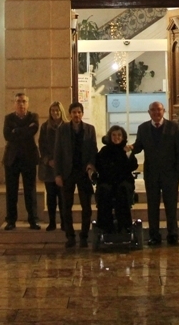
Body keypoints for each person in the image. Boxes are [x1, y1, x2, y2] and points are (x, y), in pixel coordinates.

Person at [131, 101, 179, 246]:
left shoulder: (174, 127)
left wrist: (177, 171)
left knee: (171, 206)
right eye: (153, 110)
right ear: (149, 112)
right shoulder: (143, 128)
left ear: (164, 111)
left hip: (170, 174)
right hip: (152, 174)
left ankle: (172, 234)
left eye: (159, 110)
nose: (156, 112)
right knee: (152, 206)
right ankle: (154, 235)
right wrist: (128, 148)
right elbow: (138, 146)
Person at [53, 102, 97, 248]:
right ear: (70, 114)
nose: (76, 115)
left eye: (79, 112)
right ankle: (70, 236)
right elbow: (58, 152)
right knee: (66, 206)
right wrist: (57, 174)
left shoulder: (90, 129)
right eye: (74, 112)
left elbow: (93, 150)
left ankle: (84, 236)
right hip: (68, 172)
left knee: (86, 207)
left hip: (83, 173)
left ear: (82, 114)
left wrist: (91, 165)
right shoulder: (62, 129)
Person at [2, 92, 40, 230]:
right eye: (18, 101)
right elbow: (7, 135)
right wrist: (24, 130)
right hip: (12, 159)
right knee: (11, 191)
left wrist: (16, 131)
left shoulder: (33, 117)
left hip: (29, 158)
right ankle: (11, 220)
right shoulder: (8, 118)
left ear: (28, 104)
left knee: (30, 190)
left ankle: (33, 220)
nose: (21, 104)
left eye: (24, 101)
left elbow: (32, 131)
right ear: (14, 104)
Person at [93, 126, 138, 234]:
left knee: (122, 190)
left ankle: (125, 225)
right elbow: (99, 166)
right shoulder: (104, 151)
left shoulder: (126, 150)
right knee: (104, 191)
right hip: (107, 180)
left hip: (123, 181)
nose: (116, 137)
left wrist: (128, 154)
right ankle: (106, 226)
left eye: (119, 135)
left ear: (123, 137)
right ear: (110, 136)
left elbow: (133, 166)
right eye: (114, 135)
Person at [37, 101, 64, 232]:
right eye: (52, 110)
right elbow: (42, 145)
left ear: (61, 111)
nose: (55, 113)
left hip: (63, 167)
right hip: (49, 167)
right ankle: (52, 222)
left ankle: (64, 222)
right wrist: (48, 160)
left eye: (57, 110)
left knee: (63, 197)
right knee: (51, 196)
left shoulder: (66, 126)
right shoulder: (45, 127)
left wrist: (61, 161)